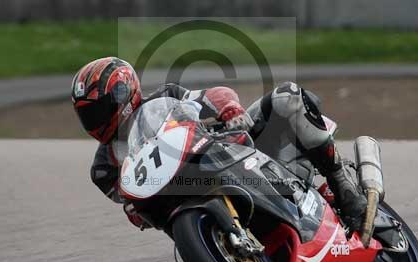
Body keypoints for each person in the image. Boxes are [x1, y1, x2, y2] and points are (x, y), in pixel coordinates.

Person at [71, 56, 367, 231]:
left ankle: (341, 183)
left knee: (286, 96)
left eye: (97, 109)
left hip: (225, 151)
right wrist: (137, 213)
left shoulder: (165, 95)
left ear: (123, 92)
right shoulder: (103, 169)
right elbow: (134, 209)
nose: (94, 119)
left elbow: (208, 96)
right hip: (180, 194)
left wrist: (229, 110)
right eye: (87, 114)